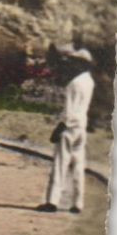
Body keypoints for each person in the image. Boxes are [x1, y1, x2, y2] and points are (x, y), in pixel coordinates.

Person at [39, 47, 95, 214]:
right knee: (78, 166)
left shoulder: (74, 83)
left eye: (74, 62)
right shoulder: (89, 81)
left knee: (60, 164)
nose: (71, 65)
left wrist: (59, 128)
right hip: (81, 127)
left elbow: (69, 111)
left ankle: (52, 201)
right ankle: (77, 203)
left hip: (69, 127)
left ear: (80, 64)